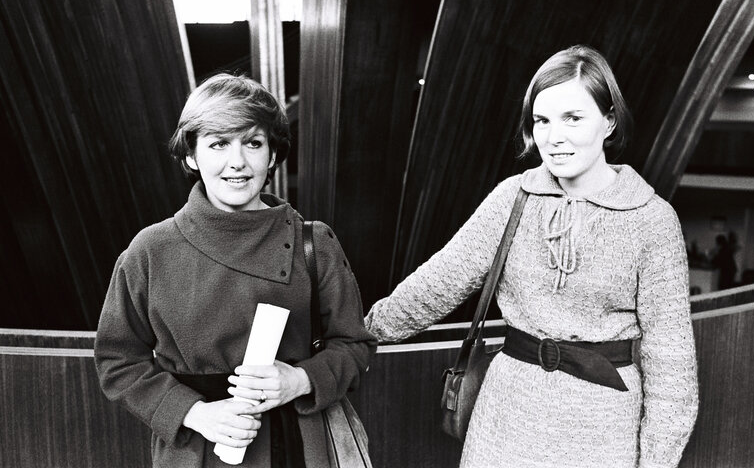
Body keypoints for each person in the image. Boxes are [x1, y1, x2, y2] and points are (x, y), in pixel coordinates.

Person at [365, 45, 698, 467]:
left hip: (604, 429)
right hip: (505, 418)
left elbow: (672, 363)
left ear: (609, 120)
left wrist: (656, 462)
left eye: (572, 118)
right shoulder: (513, 198)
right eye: (542, 120)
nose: (553, 137)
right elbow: (437, 284)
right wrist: (359, 332)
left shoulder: (651, 218)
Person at [95, 74, 376, 468]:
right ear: (191, 155)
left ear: (273, 154)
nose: (238, 162)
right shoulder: (150, 251)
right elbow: (117, 361)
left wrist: (301, 380)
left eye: (254, 143)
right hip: (197, 447)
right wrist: (195, 413)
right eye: (219, 143)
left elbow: (355, 345)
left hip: (300, 443)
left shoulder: (315, 243)